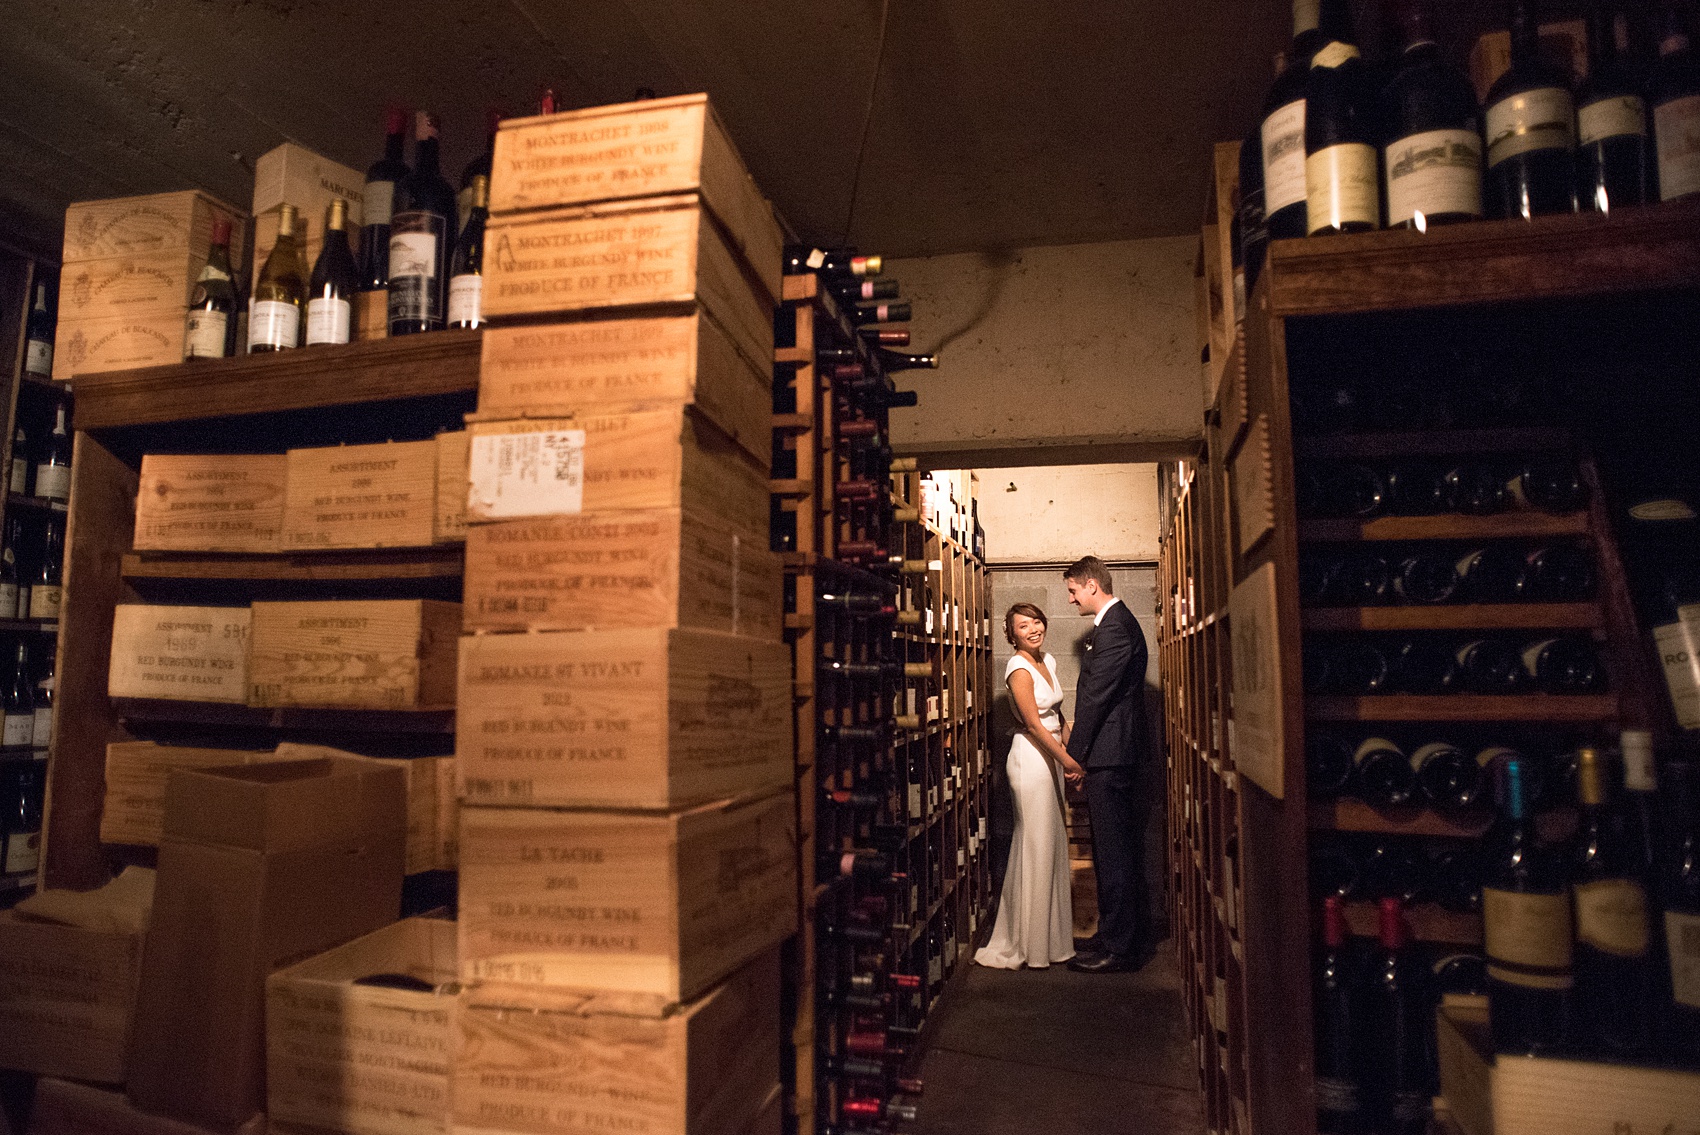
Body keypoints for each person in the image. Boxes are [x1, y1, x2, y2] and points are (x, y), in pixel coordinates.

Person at [974, 602, 1085, 970]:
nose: (1033, 628)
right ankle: (1031, 947)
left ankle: (1051, 943)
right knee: (1036, 844)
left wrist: (1074, 750)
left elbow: (1057, 716)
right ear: (1013, 634)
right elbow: (1036, 725)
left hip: (1051, 756)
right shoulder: (1018, 667)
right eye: (1024, 625)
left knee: (1050, 843)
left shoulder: (1048, 661)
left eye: (1036, 621)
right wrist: (1067, 761)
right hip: (1032, 758)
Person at [1062, 555, 1153, 974]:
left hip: (1112, 754)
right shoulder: (1116, 625)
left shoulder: (1115, 627)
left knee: (1115, 853)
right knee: (1113, 851)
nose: (1071, 599)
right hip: (1113, 752)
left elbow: (1097, 696)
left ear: (1092, 585)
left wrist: (1073, 755)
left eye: (1073, 590)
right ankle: (1118, 934)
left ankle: (1121, 948)